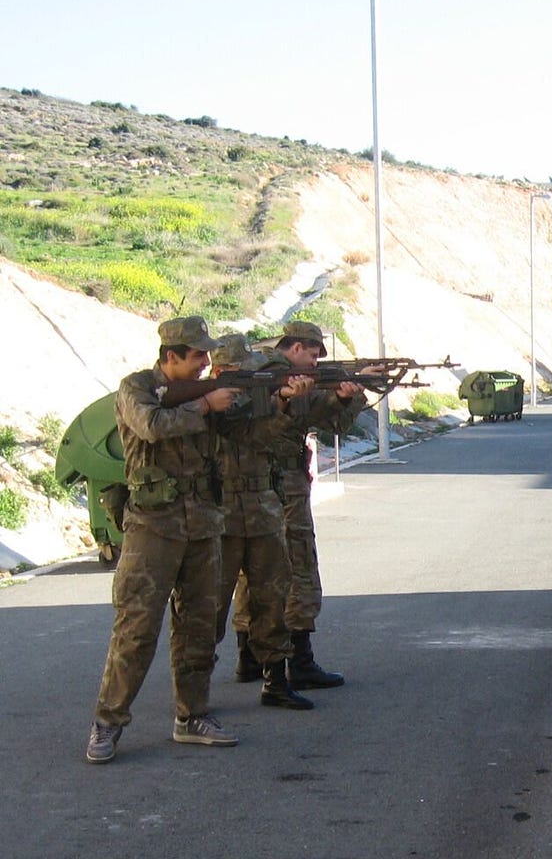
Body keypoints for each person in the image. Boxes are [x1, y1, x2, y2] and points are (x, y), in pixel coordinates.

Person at [86, 316, 244, 764]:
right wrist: (206, 405)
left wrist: (281, 398)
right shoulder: (135, 387)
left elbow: (244, 434)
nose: (205, 363)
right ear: (170, 356)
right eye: (197, 356)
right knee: (136, 629)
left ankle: (192, 715)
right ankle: (108, 721)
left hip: (203, 524)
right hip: (153, 528)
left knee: (198, 628)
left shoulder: (205, 392)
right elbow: (152, 425)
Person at [230, 320, 370, 689]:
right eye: (311, 353)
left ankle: (249, 655)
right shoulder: (276, 378)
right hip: (284, 484)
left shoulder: (257, 372)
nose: (314, 362)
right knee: (299, 566)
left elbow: (323, 419)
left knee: (253, 569)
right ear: (294, 348)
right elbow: (324, 423)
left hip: (254, 485)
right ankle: (300, 659)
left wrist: (344, 396)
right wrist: (344, 398)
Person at [209, 335, 315, 711]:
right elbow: (224, 427)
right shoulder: (201, 403)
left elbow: (260, 433)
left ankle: (276, 680)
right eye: (241, 373)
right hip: (219, 514)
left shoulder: (251, 400)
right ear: (220, 371)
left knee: (272, 598)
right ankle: (193, 692)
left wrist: (282, 402)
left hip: (261, 506)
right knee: (208, 608)